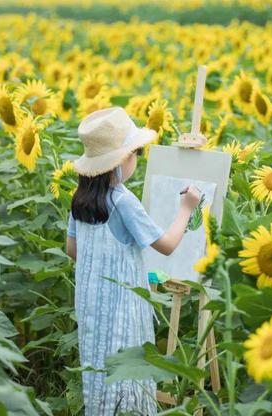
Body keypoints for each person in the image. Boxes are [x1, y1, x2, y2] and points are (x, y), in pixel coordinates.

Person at [65, 106, 201, 415]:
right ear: (120, 160)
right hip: (122, 307)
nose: (136, 160)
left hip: (90, 304)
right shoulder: (123, 200)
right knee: (126, 370)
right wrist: (186, 209)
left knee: (98, 365)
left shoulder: (80, 200)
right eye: (135, 153)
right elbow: (165, 245)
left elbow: (73, 251)